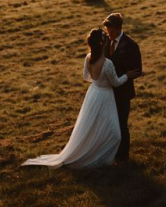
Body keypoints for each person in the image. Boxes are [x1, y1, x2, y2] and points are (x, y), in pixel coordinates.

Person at [22, 28, 140, 169]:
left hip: (93, 93)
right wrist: (127, 75)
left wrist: (98, 81)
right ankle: (102, 158)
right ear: (103, 44)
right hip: (105, 95)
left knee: (93, 125)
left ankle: (98, 151)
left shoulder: (88, 57)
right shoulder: (107, 63)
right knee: (115, 133)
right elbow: (116, 82)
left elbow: (86, 77)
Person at [103, 12, 142, 163]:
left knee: (121, 124)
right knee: (108, 124)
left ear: (119, 28)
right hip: (106, 92)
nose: (109, 34)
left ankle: (123, 155)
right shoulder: (105, 41)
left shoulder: (131, 45)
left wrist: (124, 76)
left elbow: (137, 70)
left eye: (111, 31)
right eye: (107, 31)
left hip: (123, 92)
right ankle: (110, 151)